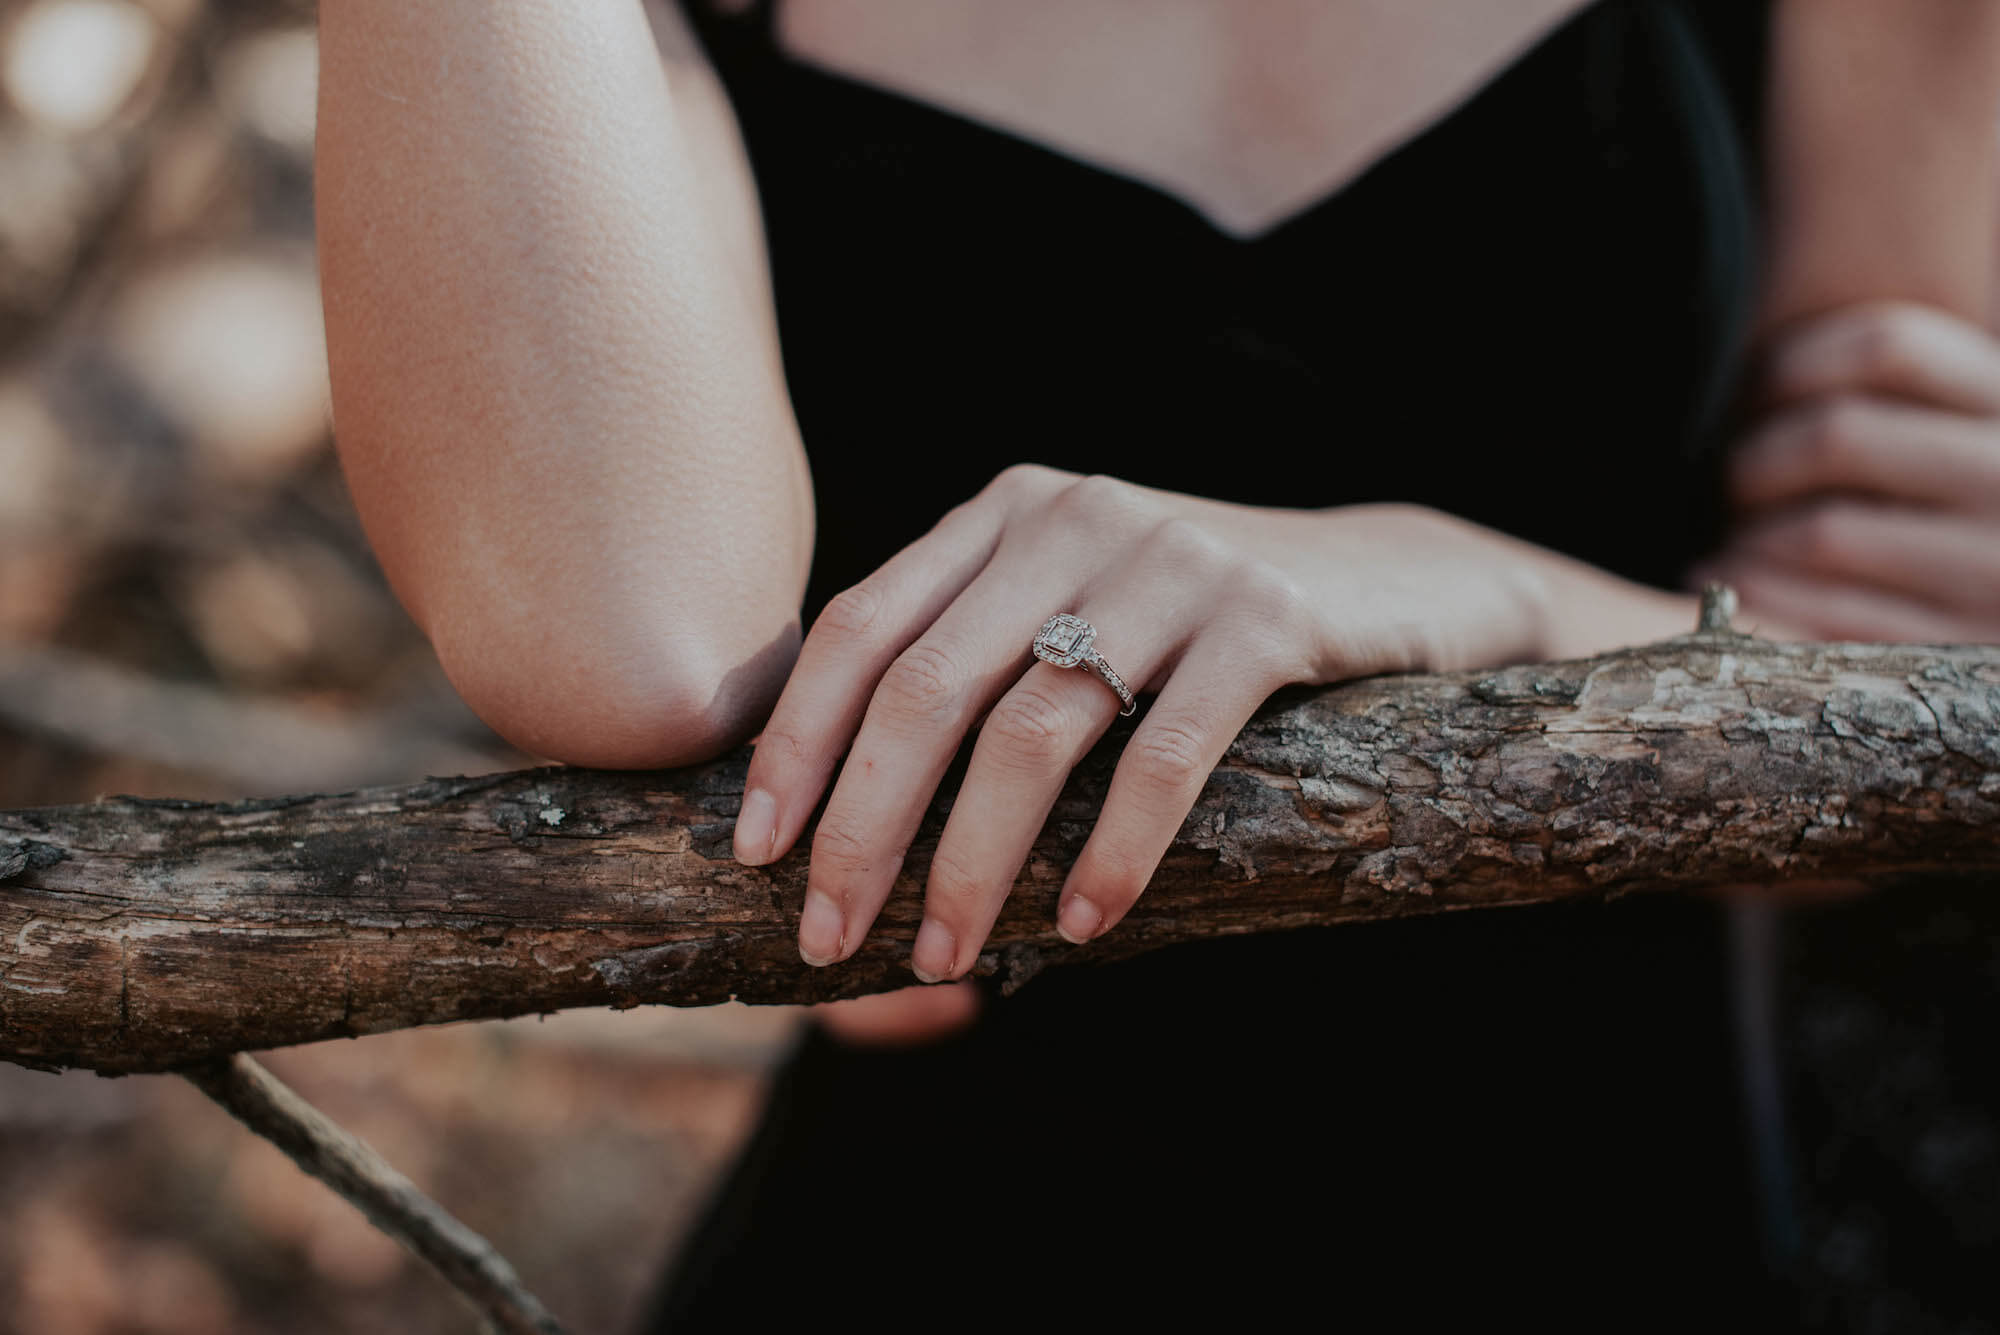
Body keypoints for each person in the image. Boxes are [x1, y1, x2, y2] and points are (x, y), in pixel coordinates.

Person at [313, 0, 2000, 1327]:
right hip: (935, 1250)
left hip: (1611, 1233)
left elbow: (1884, 726)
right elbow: (627, 647)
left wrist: (1446, 577)